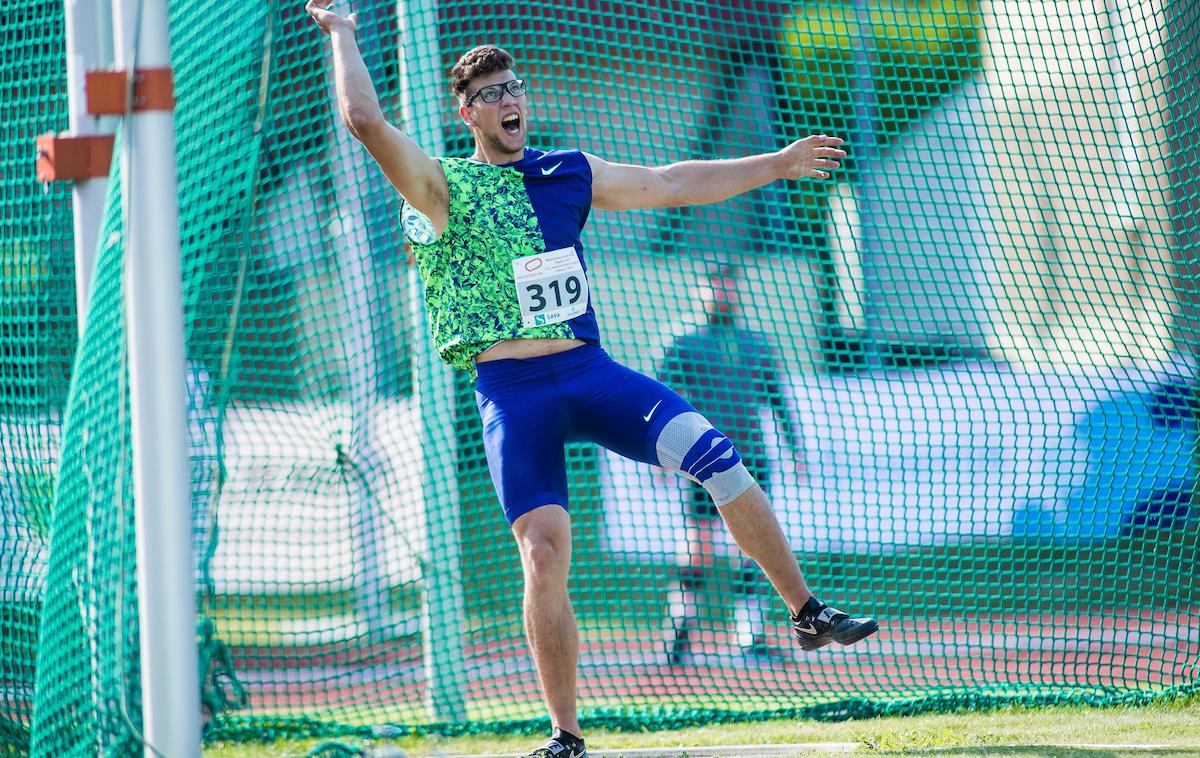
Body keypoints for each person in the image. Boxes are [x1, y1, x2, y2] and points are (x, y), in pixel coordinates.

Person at [306, 4, 878, 756]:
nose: (508, 101)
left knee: (721, 459)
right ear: (465, 112)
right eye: (489, 95)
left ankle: (805, 613)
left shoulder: (566, 171)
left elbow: (672, 182)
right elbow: (363, 122)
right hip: (512, 393)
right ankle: (566, 735)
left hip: (590, 371)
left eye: (514, 87)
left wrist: (774, 162)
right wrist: (343, 32)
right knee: (543, 553)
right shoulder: (442, 188)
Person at [658, 262, 807, 664]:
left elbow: (776, 398)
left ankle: (749, 637)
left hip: (752, 457)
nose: (722, 293)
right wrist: (658, 460)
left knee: (754, 546)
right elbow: (663, 400)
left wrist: (795, 449)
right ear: (699, 291)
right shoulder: (684, 340)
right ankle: (679, 632)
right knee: (698, 546)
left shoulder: (756, 342)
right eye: (714, 285)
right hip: (701, 459)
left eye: (728, 285)